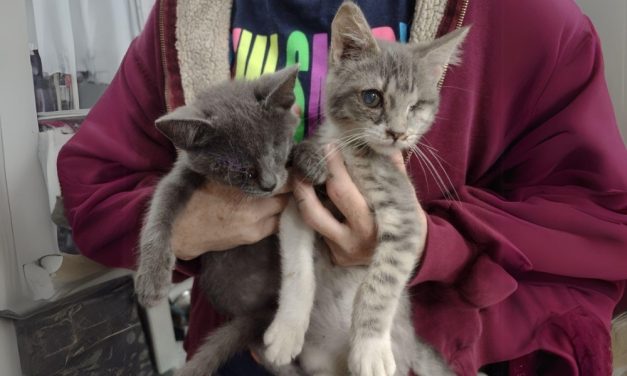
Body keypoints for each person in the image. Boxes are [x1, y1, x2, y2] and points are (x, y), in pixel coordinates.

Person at [57, 0, 627, 375]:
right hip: (252, 344)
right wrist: (184, 226)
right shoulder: (184, 15)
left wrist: (436, 244)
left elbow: (598, 230)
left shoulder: (531, 20)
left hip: (418, 348)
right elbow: (93, 185)